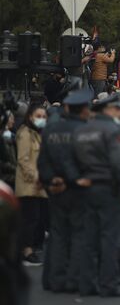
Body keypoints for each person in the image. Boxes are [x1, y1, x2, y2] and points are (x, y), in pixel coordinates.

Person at [73, 94, 120, 297]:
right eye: (117, 109)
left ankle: (87, 284)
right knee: (110, 238)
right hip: (109, 187)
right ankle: (108, 284)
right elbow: (119, 162)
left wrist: (79, 178)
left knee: (88, 238)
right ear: (108, 110)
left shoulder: (81, 130)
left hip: (86, 187)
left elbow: (71, 159)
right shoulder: (114, 130)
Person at [37, 89, 93, 293]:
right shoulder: (87, 131)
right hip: (79, 189)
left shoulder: (51, 130)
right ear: (84, 109)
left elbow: (42, 160)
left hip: (56, 189)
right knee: (79, 235)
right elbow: (88, 162)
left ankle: (55, 278)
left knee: (58, 234)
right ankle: (73, 279)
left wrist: (51, 180)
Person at [15, 104, 48, 267]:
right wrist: (36, 178)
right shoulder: (25, 133)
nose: (41, 119)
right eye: (38, 116)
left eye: (44, 116)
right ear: (29, 116)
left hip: (38, 183)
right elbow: (23, 160)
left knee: (35, 218)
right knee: (29, 218)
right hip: (29, 183)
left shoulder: (38, 134)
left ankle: (29, 249)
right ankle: (25, 251)